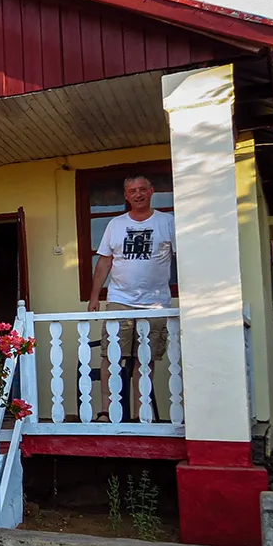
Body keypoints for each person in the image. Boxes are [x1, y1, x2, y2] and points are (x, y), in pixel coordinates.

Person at [87, 175, 176, 421]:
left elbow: (183, 258)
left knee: (144, 359)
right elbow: (104, 261)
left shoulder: (167, 222)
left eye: (142, 189)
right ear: (126, 196)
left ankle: (140, 414)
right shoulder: (116, 224)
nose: (137, 194)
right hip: (120, 299)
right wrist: (95, 296)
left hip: (155, 303)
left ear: (151, 191)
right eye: (132, 191)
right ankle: (106, 411)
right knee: (111, 356)